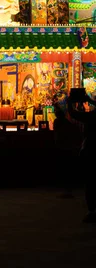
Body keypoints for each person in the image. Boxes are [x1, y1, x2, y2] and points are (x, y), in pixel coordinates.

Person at [67, 90, 96, 223]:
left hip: (90, 150)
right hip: (90, 150)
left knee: (90, 182)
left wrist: (69, 103)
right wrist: (89, 101)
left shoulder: (91, 117)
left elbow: (73, 114)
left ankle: (92, 210)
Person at [53, 104, 82, 198]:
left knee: (65, 168)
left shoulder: (58, 122)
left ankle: (67, 189)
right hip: (68, 147)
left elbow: (57, 134)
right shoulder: (67, 123)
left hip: (63, 147)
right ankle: (68, 188)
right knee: (67, 168)